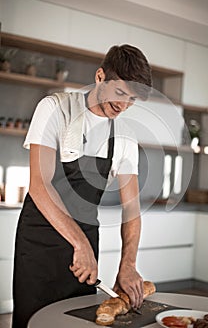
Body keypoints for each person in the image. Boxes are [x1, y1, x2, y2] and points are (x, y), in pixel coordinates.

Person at [12, 44, 152, 328]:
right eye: (120, 93)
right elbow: (40, 186)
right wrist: (79, 244)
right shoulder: (55, 109)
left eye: (132, 99)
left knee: (78, 321)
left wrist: (128, 264)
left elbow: (132, 209)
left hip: (87, 240)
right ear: (100, 76)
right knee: (34, 320)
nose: (124, 105)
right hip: (40, 242)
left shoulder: (124, 136)